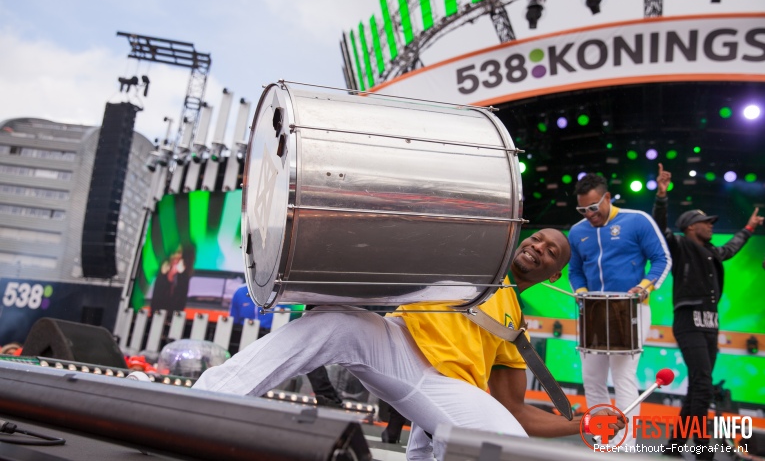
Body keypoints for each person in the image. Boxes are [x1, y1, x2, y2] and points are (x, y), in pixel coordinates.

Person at [194, 229, 623, 459]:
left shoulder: (517, 325)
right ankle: (204, 402)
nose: (538, 248)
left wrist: (581, 424)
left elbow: (514, 409)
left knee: (506, 442)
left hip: (444, 388)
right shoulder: (471, 261)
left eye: (551, 252)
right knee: (333, 323)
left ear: (553, 275)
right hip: (396, 345)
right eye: (536, 240)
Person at [653, 163, 762, 459]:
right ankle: (702, 451)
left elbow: (732, 248)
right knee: (703, 384)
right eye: (706, 222)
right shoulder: (680, 245)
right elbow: (661, 230)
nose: (712, 224)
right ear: (690, 227)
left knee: (698, 386)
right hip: (688, 322)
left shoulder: (713, 252)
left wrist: (749, 228)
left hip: (711, 324)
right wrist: (662, 195)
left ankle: (675, 446)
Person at [568, 173, 672, 448]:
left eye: (593, 207)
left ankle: (625, 443)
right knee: (592, 379)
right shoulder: (577, 232)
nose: (589, 214)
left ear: (607, 198)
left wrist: (645, 286)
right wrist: (580, 293)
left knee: (623, 376)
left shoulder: (636, 220)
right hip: (592, 313)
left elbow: (662, 258)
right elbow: (576, 271)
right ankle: (602, 437)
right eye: (582, 209)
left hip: (631, 310)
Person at [228, 283, 343, 408]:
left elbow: (296, 313)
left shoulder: (284, 290)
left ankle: (328, 397)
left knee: (307, 356)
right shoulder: (241, 292)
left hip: (281, 334)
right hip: (251, 336)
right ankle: (246, 395)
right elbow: (234, 321)